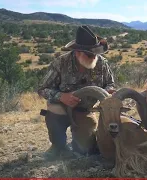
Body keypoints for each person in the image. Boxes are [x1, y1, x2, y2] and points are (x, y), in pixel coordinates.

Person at [37, 25, 116, 159]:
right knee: (54, 112)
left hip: (85, 110)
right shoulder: (61, 63)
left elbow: (110, 83)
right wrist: (61, 96)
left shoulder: (101, 63)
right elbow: (42, 89)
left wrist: (109, 91)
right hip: (62, 107)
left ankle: (78, 143)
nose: (94, 57)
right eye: (90, 54)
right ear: (78, 52)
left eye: (96, 53)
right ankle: (58, 145)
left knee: (85, 149)